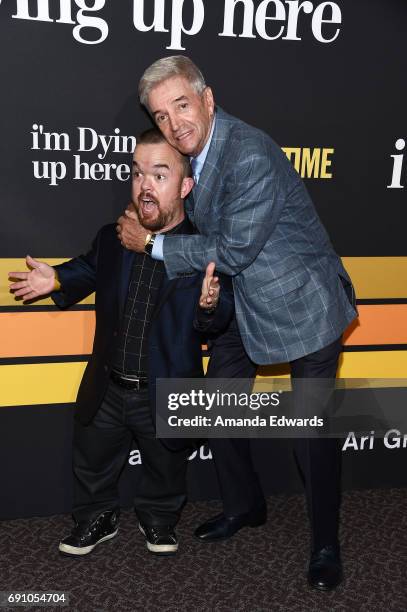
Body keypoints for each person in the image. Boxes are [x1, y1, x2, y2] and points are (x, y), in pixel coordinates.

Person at [116, 56, 358, 590]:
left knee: (309, 431)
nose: (174, 123)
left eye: (182, 104)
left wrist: (153, 244)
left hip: (302, 300)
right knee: (218, 406)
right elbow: (182, 216)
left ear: (207, 98)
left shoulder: (248, 153)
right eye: (160, 115)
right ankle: (246, 506)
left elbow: (233, 248)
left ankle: (325, 544)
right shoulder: (190, 154)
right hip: (241, 301)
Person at [9, 128, 231, 558]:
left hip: (165, 387)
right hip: (109, 383)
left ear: (185, 186)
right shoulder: (114, 236)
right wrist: (56, 278)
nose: (145, 185)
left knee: (166, 468)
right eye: (137, 173)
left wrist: (210, 306)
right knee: (91, 461)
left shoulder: (204, 248)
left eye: (159, 175)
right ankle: (96, 518)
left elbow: (217, 319)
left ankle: (159, 519)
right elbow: (90, 270)